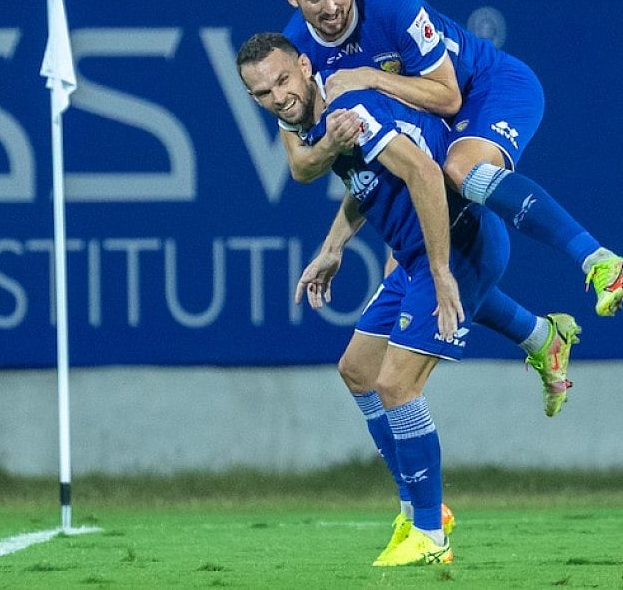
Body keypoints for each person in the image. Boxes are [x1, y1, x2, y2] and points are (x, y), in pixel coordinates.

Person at [237, 32, 578, 566]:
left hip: (460, 241)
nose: (278, 97)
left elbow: (422, 169)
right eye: (262, 93)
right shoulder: (315, 115)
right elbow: (349, 178)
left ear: (305, 66)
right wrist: (333, 247)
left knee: (397, 385)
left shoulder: (350, 106)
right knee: (357, 370)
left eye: (282, 80)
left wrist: (441, 271)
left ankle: (430, 534)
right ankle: (538, 338)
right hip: (415, 251)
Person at [274, 0, 623, 328]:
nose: (331, 7)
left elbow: (448, 97)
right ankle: (539, 336)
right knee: (404, 277)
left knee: (460, 169)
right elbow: (302, 165)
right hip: (432, 124)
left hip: (490, 87)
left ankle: (601, 261)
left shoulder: (391, 4)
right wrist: (333, 246)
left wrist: (369, 77)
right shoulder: (295, 55)